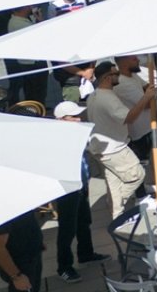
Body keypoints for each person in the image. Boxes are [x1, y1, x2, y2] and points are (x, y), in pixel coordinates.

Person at [85, 62, 153, 220]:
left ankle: (118, 215)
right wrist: (146, 97)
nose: (119, 77)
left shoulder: (95, 95)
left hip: (99, 147)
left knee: (113, 181)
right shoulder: (108, 98)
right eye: (116, 74)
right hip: (114, 148)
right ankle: (119, 201)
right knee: (137, 174)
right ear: (108, 78)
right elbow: (128, 117)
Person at [51, 102, 108, 282]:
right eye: (73, 117)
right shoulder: (58, 138)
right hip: (68, 188)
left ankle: (86, 253)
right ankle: (64, 266)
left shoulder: (75, 133)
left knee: (84, 220)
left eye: (78, 116)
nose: (78, 119)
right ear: (61, 120)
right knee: (67, 228)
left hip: (82, 184)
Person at [0, 209, 41, 292]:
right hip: (19, 263)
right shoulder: (3, 211)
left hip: (32, 254)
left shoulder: (21, 202)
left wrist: (38, 241)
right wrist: (17, 276)